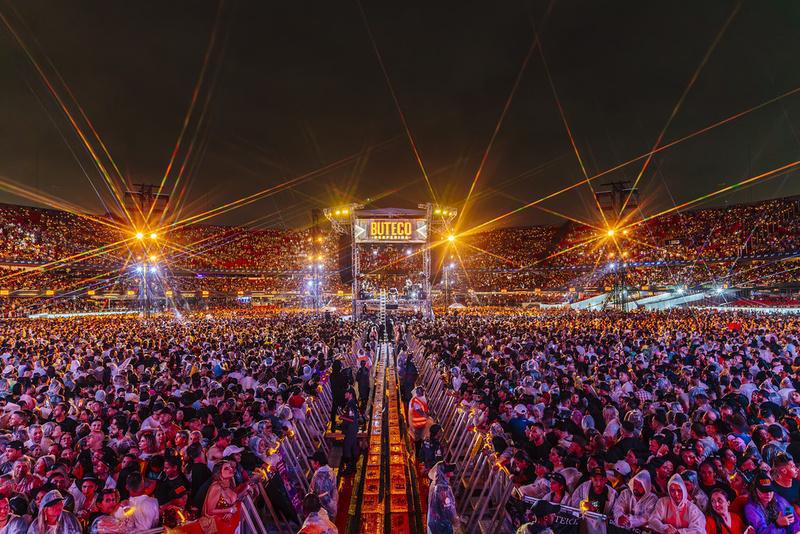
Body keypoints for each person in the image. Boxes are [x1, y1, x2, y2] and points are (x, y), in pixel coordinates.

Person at [569, 466, 617, 534]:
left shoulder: (613, 494)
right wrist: (584, 505)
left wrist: (604, 518)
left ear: (606, 480)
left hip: (603, 525)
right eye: (595, 479)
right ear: (590, 478)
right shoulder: (583, 488)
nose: (598, 483)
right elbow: (573, 502)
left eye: (601, 480)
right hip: (585, 523)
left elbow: (615, 513)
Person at [202, 461, 242, 534]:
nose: (231, 469)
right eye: (226, 468)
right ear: (219, 474)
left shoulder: (231, 482)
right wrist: (229, 510)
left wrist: (231, 512)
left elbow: (235, 502)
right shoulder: (216, 487)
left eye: (230, 467)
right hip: (219, 527)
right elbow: (209, 511)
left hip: (232, 525)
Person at [427, 462, 458, 534]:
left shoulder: (436, 485)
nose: (452, 473)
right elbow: (449, 510)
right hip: (442, 527)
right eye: (449, 471)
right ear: (444, 474)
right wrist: (456, 522)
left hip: (435, 523)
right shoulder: (443, 489)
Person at [308, 451, 338, 521]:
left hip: (325, 514)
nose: (311, 463)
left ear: (317, 463)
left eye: (312, 461)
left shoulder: (320, 478)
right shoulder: (330, 470)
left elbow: (323, 499)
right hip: (332, 505)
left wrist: (331, 512)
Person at [339, 389, 359, 476]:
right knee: (353, 448)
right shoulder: (352, 402)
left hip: (351, 429)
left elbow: (351, 419)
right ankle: (353, 468)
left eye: (346, 393)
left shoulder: (351, 404)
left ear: (350, 394)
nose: (344, 394)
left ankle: (349, 469)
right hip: (353, 428)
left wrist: (342, 418)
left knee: (348, 448)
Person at [409, 386, 430, 457]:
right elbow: (420, 411)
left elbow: (422, 410)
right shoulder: (417, 400)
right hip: (418, 422)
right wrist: (426, 415)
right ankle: (418, 453)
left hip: (420, 422)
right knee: (419, 438)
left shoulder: (419, 399)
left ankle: (418, 453)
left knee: (419, 438)